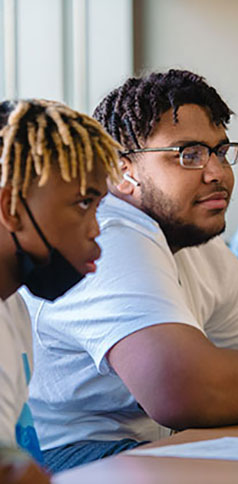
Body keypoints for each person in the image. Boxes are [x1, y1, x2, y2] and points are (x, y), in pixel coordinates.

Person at [21, 70, 238, 472]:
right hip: (58, 454)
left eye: (221, 150)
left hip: (144, 443)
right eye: (189, 154)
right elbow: (184, 388)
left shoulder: (196, 240)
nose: (217, 172)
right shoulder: (109, 234)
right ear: (123, 172)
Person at [0, 99, 121, 483]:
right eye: (83, 203)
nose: (95, 229)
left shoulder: (13, 312)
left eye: (98, 206)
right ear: (12, 208)